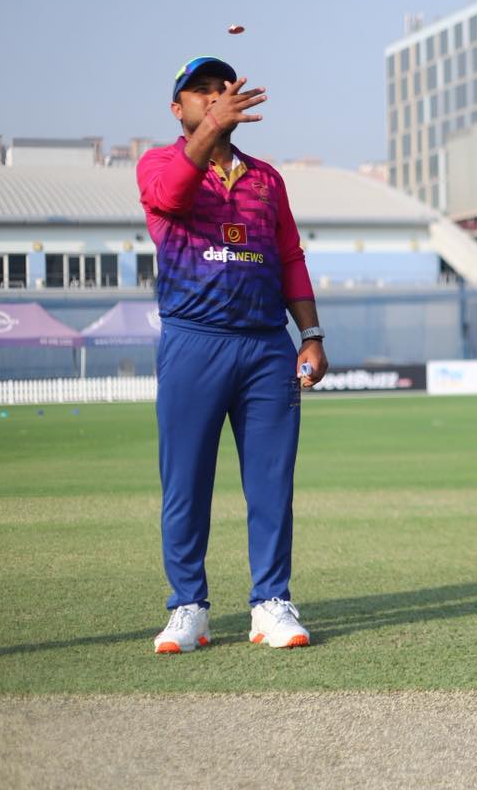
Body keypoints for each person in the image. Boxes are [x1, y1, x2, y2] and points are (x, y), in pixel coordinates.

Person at [137, 56, 329, 654]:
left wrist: (312, 335)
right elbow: (171, 197)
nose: (216, 97)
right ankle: (188, 607)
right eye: (201, 92)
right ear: (178, 108)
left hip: (266, 346)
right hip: (194, 340)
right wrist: (212, 129)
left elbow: (290, 256)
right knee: (185, 483)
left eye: (222, 89)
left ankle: (270, 603)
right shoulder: (158, 163)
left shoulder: (266, 178)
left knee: (271, 484)